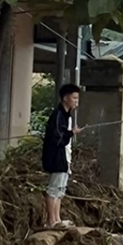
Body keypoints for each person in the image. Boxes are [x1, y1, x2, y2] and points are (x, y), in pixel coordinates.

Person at [42, 83, 82, 229]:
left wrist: (71, 133)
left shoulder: (66, 115)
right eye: (74, 98)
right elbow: (57, 137)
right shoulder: (58, 115)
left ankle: (57, 219)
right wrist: (71, 133)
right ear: (65, 98)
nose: (76, 101)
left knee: (60, 189)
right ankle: (51, 221)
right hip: (55, 156)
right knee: (53, 189)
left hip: (64, 156)